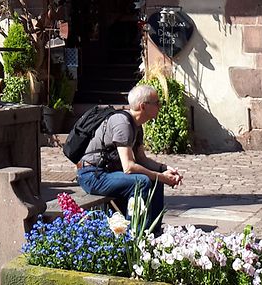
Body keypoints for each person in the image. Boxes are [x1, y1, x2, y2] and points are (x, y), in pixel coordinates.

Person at [76, 84, 183, 234]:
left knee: (155, 181)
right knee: (142, 182)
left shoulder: (137, 126)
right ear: (143, 106)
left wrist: (164, 169)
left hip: (108, 174)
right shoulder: (123, 123)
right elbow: (129, 167)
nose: (160, 106)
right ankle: (135, 235)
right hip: (92, 175)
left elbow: (142, 159)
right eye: (157, 103)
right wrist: (161, 176)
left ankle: (153, 233)